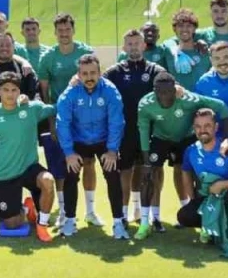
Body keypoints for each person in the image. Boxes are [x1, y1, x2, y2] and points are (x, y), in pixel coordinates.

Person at [137, 72, 228, 227]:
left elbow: (222, 107)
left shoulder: (188, 99)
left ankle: (195, 214)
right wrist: (146, 161)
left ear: (176, 89)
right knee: (150, 173)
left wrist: (227, 138)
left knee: (193, 173)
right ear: (154, 91)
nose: (165, 96)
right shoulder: (145, 104)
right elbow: (144, 131)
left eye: (169, 91)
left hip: (186, 137)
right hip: (161, 137)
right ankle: (150, 220)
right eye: (160, 92)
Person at [0, 72, 57, 242]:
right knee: (12, 224)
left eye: (14, 90)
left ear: (19, 91)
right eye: (5, 89)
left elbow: (56, 107)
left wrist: (74, 87)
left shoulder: (31, 108)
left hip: (29, 168)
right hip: (6, 173)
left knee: (48, 180)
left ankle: (42, 224)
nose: (10, 94)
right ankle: (27, 209)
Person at [54, 54, 124, 238]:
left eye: (93, 73)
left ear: (100, 73)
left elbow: (116, 121)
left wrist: (112, 150)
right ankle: (70, 220)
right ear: (78, 75)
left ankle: (118, 222)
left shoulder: (110, 91)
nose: (89, 77)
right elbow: (62, 123)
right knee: (71, 174)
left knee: (113, 173)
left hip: (103, 140)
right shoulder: (70, 93)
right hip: (78, 140)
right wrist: (69, 152)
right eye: (84, 74)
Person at [38, 13, 99, 225]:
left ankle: (90, 211)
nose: (64, 33)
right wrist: (51, 121)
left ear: (73, 30)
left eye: (67, 29)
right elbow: (45, 93)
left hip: (85, 118)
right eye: (60, 30)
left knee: (88, 162)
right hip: (61, 118)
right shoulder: (48, 57)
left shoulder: (85, 52)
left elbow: (97, 81)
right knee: (62, 165)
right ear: (55, 33)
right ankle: (64, 211)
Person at [103, 29, 168, 226]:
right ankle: (123, 214)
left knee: (154, 170)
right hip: (126, 130)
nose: (133, 47)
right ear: (124, 47)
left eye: (137, 43)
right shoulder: (114, 72)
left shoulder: (156, 71)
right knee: (125, 170)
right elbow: (97, 84)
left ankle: (155, 216)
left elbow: (170, 89)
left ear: (144, 45)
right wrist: (75, 80)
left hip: (152, 130)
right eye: (129, 44)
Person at [177, 108, 228, 230]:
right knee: (185, 216)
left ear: (216, 127)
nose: (202, 130)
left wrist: (223, 185)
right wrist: (192, 199)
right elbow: (185, 171)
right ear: (194, 129)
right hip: (210, 198)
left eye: (207, 126)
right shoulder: (191, 151)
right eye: (198, 126)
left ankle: (227, 231)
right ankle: (212, 228)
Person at [0, 33, 39, 103]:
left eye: (8, 45)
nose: (4, 48)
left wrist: (28, 100)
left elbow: (36, 95)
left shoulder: (25, 70)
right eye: (1, 45)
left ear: (13, 47)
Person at [165, 9, 209, 91]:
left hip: (201, 98)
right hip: (178, 98)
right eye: (181, 26)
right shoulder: (168, 52)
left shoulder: (204, 52)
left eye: (188, 26)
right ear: (174, 29)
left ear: (194, 29)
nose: (184, 29)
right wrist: (176, 51)